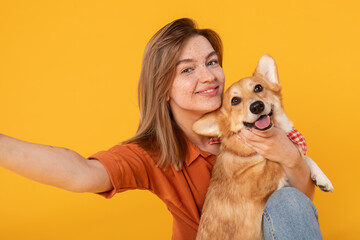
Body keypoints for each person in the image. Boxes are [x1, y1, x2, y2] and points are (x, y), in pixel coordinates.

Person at [0, 18, 322, 240]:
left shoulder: (250, 111)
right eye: (188, 70)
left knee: (288, 203)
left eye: (212, 62)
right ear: (163, 88)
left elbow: (297, 208)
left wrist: (291, 157)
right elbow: (80, 172)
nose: (208, 77)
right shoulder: (155, 155)